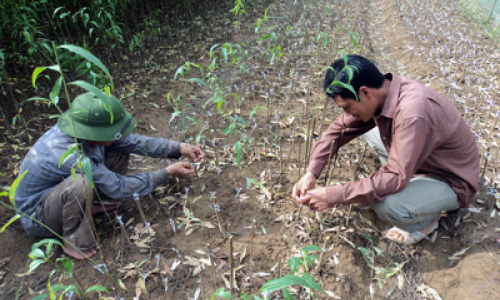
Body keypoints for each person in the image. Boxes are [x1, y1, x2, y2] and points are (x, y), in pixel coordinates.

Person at [292, 55, 479, 244]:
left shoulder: (411, 112)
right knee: (370, 132)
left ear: (365, 92)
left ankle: (426, 220)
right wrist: (311, 173)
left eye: (348, 107)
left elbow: (395, 177)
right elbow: (337, 131)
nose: (346, 114)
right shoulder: (385, 92)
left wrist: (333, 195)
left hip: (451, 179)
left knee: (387, 205)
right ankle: (415, 186)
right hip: (423, 161)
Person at [15, 92, 205, 259]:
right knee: (80, 183)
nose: (118, 134)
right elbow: (119, 185)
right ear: (95, 132)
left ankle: (93, 202)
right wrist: (167, 173)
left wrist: (179, 148)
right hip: (38, 215)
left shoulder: (86, 132)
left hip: (56, 194)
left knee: (120, 149)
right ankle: (75, 241)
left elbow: (136, 142)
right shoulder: (66, 153)